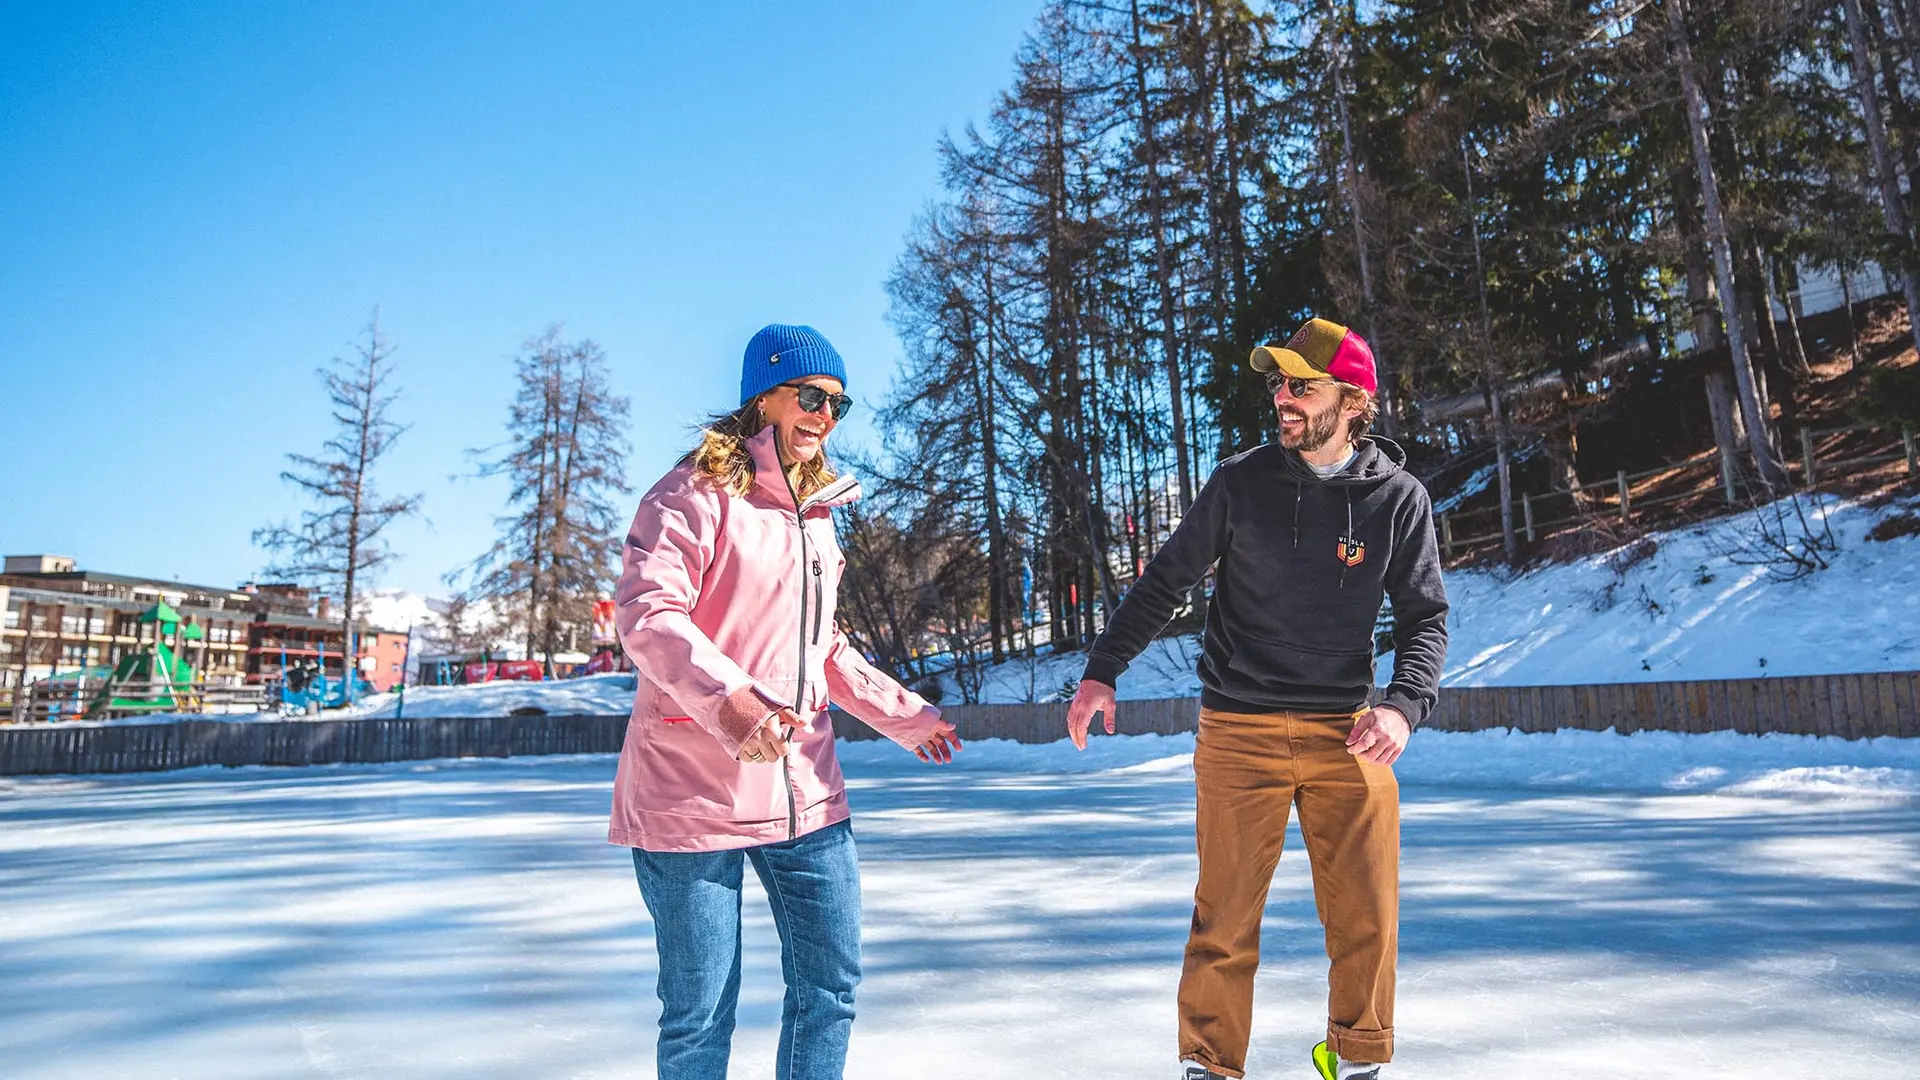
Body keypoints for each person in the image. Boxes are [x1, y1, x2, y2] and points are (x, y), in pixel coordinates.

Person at [1064, 318, 1448, 1080]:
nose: (1283, 398)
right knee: (1225, 919)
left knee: (1367, 912)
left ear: (1352, 398)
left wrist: (1404, 704)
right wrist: (1103, 668)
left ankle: (1358, 1060)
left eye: (1302, 385)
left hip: (1349, 730)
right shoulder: (1240, 482)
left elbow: (1424, 616)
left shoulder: (1398, 499)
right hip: (1240, 729)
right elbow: (1165, 581)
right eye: (1277, 383)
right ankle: (1210, 1066)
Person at [611, 323, 962, 1080]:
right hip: (692, 793)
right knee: (701, 1013)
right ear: (762, 397)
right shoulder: (693, 496)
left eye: (839, 404)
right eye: (811, 397)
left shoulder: (816, 517)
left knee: (829, 990)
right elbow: (648, 613)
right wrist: (733, 704)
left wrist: (906, 715)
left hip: (805, 787)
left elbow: (820, 649)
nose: (825, 417)